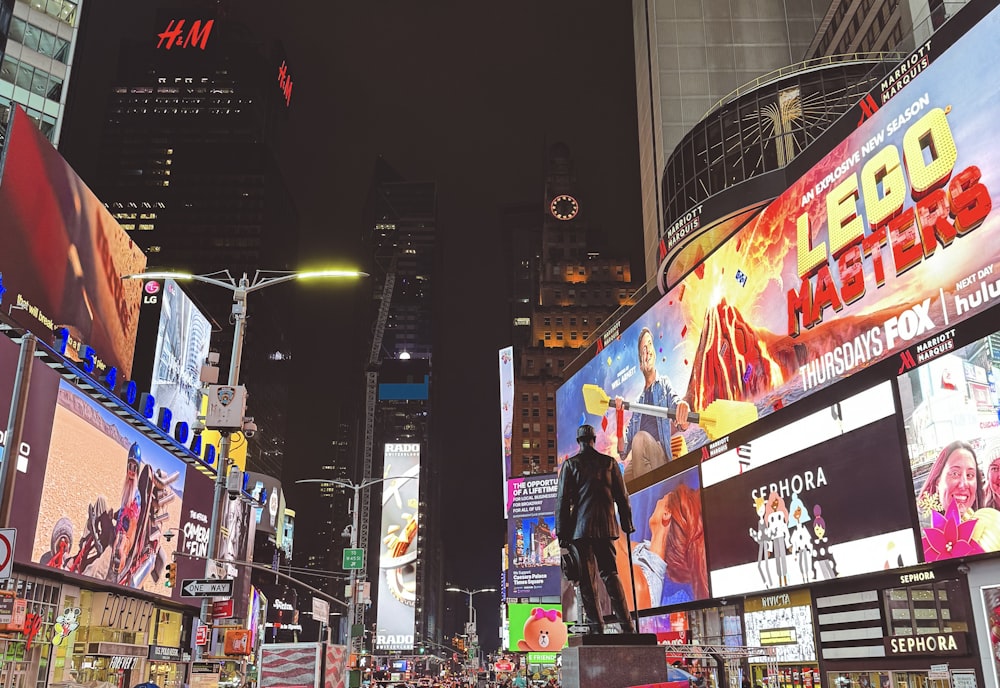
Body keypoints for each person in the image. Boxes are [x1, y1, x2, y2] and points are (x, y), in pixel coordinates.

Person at [556, 424, 635, 633]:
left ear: (579, 442)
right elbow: (622, 496)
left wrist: (561, 534)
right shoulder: (609, 463)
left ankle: (596, 627)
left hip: (581, 531)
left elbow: (562, 502)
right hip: (606, 527)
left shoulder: (571, 465)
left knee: (587, 581)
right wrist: (627, 522)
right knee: (611, 574)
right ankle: (627, 625)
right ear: (593, 439)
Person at [615, 327, 690, 482]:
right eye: (643, 349)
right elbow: (622, 451)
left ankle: (649, 495)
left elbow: (681, 418)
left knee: (640, 438)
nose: (647, 350)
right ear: (640, 364)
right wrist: (619, 416)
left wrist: (683, 408)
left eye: (650, 344)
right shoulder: (636, 404)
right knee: (622, 481)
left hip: (659, 454)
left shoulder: (664, 384)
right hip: (640, 455)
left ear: (655, 353)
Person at [917, 440, 982, 519]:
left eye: (969, 475)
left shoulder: (983, 523)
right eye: (955, 473)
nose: (963, 484)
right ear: (938, 481)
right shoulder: (922, 524)